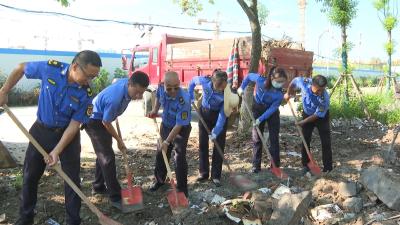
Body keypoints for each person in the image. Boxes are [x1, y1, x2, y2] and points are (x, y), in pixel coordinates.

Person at [0, 50, 102, 225]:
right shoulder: (50, 69)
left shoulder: (86, 94)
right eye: (88, 76)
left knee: (72, 180)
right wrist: (4, 91)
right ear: (75, 67)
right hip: (40, 131)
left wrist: (56, 151)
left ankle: (73, 221)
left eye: (94, 77)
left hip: (68, 137)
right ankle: (25, 219)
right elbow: (21, 68)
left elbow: (74, 125)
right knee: (30, 176)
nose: (90, 80)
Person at [84, 71, 149, 210]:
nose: (138, 96)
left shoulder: (126, 83)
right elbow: (106, 122)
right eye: (136, 92)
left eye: (142, 93)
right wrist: (119, 140)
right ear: (130, 84)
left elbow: (115, 80)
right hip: (94, 121)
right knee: (107, 158)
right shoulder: (115, 99)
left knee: (103, 154)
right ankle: (115, 197)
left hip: (103, 118)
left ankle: (98, 186)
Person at [147, 71, 191, 197]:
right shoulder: (161, 87)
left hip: (180, 129)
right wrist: (155, 110)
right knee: (161, 153)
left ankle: (182, 189)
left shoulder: (184, 100)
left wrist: (167, 142)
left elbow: (179, 124)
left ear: (180, 84)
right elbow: (158, 96)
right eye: (169, 88)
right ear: (164, 84)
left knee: (179, 156)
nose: (173, 91)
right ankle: (160, 181)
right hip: (166, 124)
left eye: (176, 88)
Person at [237, 68, 288, 173]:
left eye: (282, 82)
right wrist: (241, 87)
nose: (280, 84)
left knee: (274, 138)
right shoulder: (260, 80)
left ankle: (275, 166)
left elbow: (272, 109)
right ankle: (256, 166)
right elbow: (249, 76)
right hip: (258, 108)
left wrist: (260, 119)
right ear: (271, 78)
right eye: (278, 81)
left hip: (271, 112)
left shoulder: (279, 94)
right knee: (257, 138)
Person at [284, 74, 332, 174]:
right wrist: (288, 93)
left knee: (326, 141)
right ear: (312, 85)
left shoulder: (325, 98)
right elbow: (294, 81)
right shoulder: (304, 83)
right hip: (307, 113)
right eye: (318, 90)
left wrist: (303, 122)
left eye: (322, 90)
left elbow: (317, 115)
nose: (320, 92)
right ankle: (305, 165)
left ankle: (328, 168)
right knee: (305, 139)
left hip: (320, 117)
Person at [188, 69, 228, 187]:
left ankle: (216, 176)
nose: (220, 89)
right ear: (212, 80)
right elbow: (192, 82)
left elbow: (223, 114)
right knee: (203, 144)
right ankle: (203, 173)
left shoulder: (228, 92)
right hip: (204, 113)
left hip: (219, 115)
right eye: (218, 86)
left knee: (219, 144)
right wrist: (191, 96)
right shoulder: (204, 81)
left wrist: (216, 131)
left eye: (223, 87)